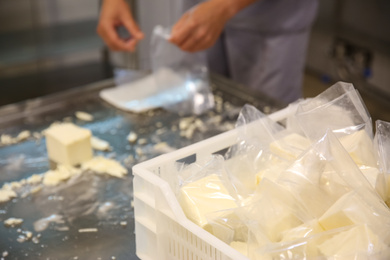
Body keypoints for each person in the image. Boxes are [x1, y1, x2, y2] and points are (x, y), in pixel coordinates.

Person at [97, 0, 318, 104]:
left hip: (270, 16)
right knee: (201, 112)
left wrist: (225, 5)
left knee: (269, 126)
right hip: (196, 10)